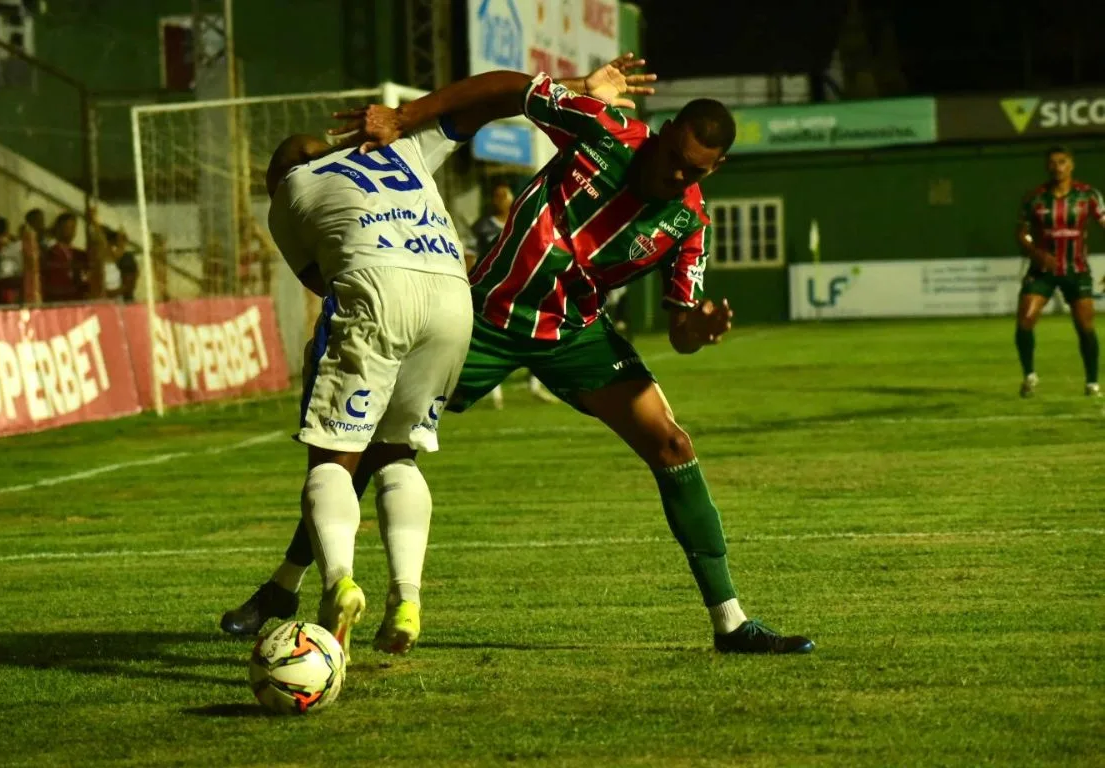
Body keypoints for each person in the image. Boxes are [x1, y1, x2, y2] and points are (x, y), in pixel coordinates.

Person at [223, 61, 813, 655]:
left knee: (673, 445)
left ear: (717, 169)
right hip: (485, 317)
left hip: (573, 333)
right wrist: (406, 117)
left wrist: (699, 329)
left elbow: (681, 329)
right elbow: (509, 88)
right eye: (673, 158)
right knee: (370, 445)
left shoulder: (688, 222)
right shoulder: (604, 131)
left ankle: (731, 622)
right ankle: (285, 586)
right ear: (659, 135)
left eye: (695, 171)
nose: (677, 174)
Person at [256, 57, 653, 658]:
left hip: (379, 289)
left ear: (281, 173)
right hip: (450, 296)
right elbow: (492, 98)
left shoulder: (289, 191)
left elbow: (321, 279)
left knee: (333, 461)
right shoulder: (399, 147)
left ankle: (337, 583)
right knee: (398, 451)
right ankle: (408, 597)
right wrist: (579, 91)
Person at [1014, 145, 1104, 398]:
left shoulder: (1088, 196)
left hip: (1076, 269)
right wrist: (1036, 253)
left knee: (1085, 325)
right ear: (1047, 166)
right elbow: (1021, 233)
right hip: (1043, 270)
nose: (1057, 167)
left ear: (1071, 165)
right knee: (1025, 319)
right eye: (1052, 162)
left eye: (1062, 162)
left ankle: (1092, 383)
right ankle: (1030, 376)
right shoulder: (1035, 198)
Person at [469, 179, 558, 406]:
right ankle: (494, 394)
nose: (500, 200)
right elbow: (470, 255)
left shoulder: (524, 219)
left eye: (504, 195)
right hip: (492, 290)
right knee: (491, 340)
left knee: (536, 335)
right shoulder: (482, 226)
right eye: (496, 196)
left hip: (523, 290)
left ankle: (535, 386)